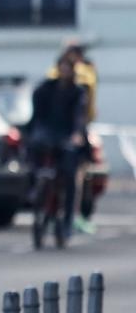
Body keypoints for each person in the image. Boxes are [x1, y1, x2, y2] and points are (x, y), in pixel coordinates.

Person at [26, 51, 90, 240]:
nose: (64, 71)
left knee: (70, 176)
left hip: (67, 136)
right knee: (32, 156)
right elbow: (37, 113)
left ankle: (67, 219)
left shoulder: (78, 92)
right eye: (62, 68)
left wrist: (77, 135)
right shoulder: (46, 88)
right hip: (47, 135)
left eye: (67, 68)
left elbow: (79, 116)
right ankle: (35, 190)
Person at [46, 40, 101, 232]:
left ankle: (55, 212)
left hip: (60, 128)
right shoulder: (87, 73)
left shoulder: (54, 72)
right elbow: (89, 105)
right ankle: (72, 215)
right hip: (75, 128)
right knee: (76, 174)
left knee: (55, 170)